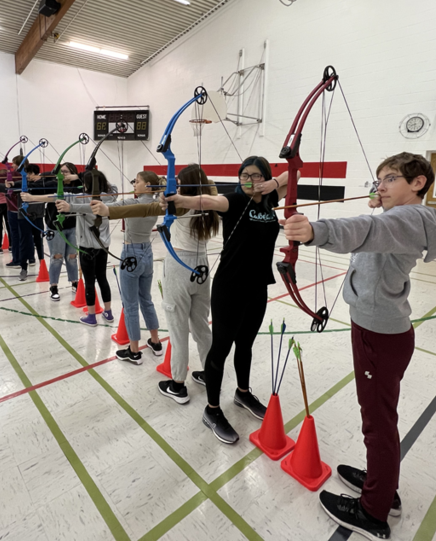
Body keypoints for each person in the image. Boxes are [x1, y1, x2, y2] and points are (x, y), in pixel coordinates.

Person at [283, 152, 436, 541]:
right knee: (379, 419)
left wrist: (315, 231)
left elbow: (365, 230)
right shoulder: (408, 218)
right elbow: (379, 230)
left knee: (378, 425)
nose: (380, 186)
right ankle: (381, 484)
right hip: (381, 329)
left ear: (418, 183)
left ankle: (373, 510)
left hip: (379, 334)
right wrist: (385, 203)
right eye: (378, 181)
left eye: (391, 179)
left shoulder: (409, 218)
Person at [165, 157, 291, 444]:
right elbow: (207, 203)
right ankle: (212, 410)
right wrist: (178, 197)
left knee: (245, 345)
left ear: (265, 177)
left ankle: (242, 393)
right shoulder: (233, 200)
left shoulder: (270, 200)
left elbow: (295, 171)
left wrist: (271, 184)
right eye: (244, 175)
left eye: (256, 176)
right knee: (220, 349)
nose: (249, 180)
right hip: (230, 287)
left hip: (258, 286)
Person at [92, 165, 220, 397]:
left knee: (178, 329)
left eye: (179, 182)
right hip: (201, 268)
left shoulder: (180, 203)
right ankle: (211, 375)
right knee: (201, 326)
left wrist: (108, 211)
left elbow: (146, 207)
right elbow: (207, 187)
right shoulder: (212, 203)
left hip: (180, 266)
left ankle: (178, 385)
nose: (176, 186)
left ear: (185, 186)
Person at [88, 171, 166, 365]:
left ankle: (134, 352)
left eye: (137, 181)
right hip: (147, 253)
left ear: (148, 185)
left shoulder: (133, 204)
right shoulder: (157, 204)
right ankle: (155, 342)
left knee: (130, 304)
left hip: (131, 253)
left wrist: (82, 205)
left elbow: (105, 208)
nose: (134, 184)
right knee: (146, 299)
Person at [55, 170, 118, 326]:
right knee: (102, 278)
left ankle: (91, 316)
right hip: (103, 246)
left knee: (89, 281)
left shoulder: (81, 200)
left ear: (87, 184)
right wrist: (92, 180)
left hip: (87, 248)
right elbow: (115, 189)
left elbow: (56, 197)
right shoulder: (109, 197)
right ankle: (108, 313)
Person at [20, 162, 82, 301]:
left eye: (67, 172)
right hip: (55, 226)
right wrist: (25, 190)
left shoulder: (78, 186)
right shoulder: (52, 183)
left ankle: (74, 283)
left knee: (72, 257)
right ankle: (53, 286)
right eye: (62, 171)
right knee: (57, 257)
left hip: (72, 226)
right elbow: (41, 189)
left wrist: (74, 178)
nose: (63, 174)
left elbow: (85, 183)